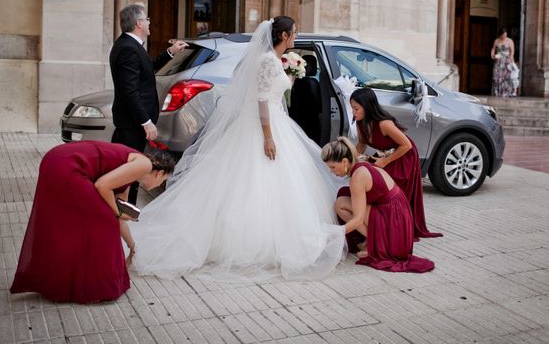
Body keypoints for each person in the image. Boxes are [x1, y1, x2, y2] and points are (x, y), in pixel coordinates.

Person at [128, 17, 345, 280]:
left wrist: (290, 75)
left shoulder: (276, 60)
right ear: (285, 35)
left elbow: (274, 93)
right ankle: (252, 242)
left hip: (277, 123)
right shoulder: (266, 60)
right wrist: (267, 137)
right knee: (255, 179)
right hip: (265, 128)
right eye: (295, 33)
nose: (296, 37)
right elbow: (262, 100)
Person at [10, 141, 175, 304]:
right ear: (159, 173)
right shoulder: (144, 164)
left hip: (54, 159)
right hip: (67, 167)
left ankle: (62, 279)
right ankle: (95, 287)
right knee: (104, 222)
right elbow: (102, 186)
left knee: (82, 224)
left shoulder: (129, 176)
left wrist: (132, 247)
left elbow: (117, 220)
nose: (159, 185)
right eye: (163, 181)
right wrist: (116, 213)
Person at [110, 3, 187, 204]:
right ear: (138, 23)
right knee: (128, 175)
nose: (149, 22)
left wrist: (170, 52)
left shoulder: (131, 45)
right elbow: (130, 91)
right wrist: (145, 121)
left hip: (132, 124)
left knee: (130, 173)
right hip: (132, 125)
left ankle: (126, 212)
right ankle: (124, 213)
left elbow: (147, 68)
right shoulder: (128, 48)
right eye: (147, 19)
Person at [322, 137, 434, 273]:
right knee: (343, 194)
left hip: (395, 221)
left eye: (332, 167)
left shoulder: (358, 177)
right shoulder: (361, 164)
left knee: (341, 204)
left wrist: (332, 235)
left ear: (345, 161)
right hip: (398, 215)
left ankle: (376, 243)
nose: (332, 172)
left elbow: (357, 219)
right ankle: (372, 239)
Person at [347, 87, 442, 241]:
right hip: (387, 155)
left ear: (368, 107)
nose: (353, 112)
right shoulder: (360, 123)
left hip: (404, 156)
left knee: (389, 189)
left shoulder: (384, 124)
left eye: (356, 108)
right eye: (352, 108)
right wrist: (352, 159)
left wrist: (385, 161)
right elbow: (362, 144)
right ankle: (377, 225)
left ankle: (395, 227)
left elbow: (407, 145)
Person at [289, 54, 322, 144]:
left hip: (296, 117)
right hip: (312, 120)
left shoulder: (294, 81)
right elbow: (318, 106)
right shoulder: (313, 83)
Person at [490, 28, 516, 97]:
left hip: (506, 61)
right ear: (500, 35)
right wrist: (492, 55)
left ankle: (505, 92)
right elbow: (493, 49)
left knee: (506, 77)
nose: (504, 36)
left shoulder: (509, 41)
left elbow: (512, 51)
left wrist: (511, 57)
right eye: (503, 35)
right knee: (497, 76)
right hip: (498, 61)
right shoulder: (496, 41)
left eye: (505, 35)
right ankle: (497, 92)